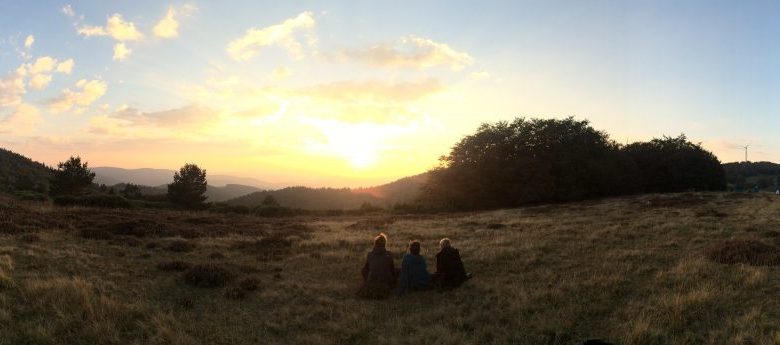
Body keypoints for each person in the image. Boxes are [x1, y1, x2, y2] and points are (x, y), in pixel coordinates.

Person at [358, 233, 397, 299]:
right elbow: (392, 270)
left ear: (375, 244)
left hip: (372, 282)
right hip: (386, 284)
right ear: (385, 244)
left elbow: (366, 269)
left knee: (363, 270)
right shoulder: (389, 255)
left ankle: (367, 284)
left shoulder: (370, 255)